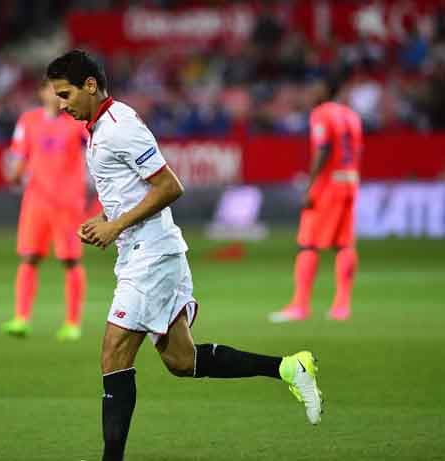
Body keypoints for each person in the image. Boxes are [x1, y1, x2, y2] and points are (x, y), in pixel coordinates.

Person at [46, 49, 323, 461]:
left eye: (66, 95)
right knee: (182, 360)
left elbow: (170, 186)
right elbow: (135, 190)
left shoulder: (120, 127)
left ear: (90, 85)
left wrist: (116, 226)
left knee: (114, 351)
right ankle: (289, 368)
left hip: (151, 253)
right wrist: (105, 218)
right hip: (144, 251)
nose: (61, 105)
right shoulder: (101, 127)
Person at [1, 79, 89, 341]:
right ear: (41, 92)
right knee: (29, 257)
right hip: (36, 201)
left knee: (70, 260)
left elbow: (98, 145)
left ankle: (72, 323)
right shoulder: (28, 121)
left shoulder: (77, 121)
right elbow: (18, 157)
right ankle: (21, 318)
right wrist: (14, 175)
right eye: (53, 88)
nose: (59, 94)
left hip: (68, 203)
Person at [269, 77, 362, 323]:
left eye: (313, 88)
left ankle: (300, 305)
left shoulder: (321, 114)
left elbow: (323, 148)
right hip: (350, 181)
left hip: (328, 184)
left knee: (308, 244)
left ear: (325, 90)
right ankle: (342, 306)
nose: (310, 93)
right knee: (344, 244)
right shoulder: (351, 116)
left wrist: (310, 186)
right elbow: (357, 151)